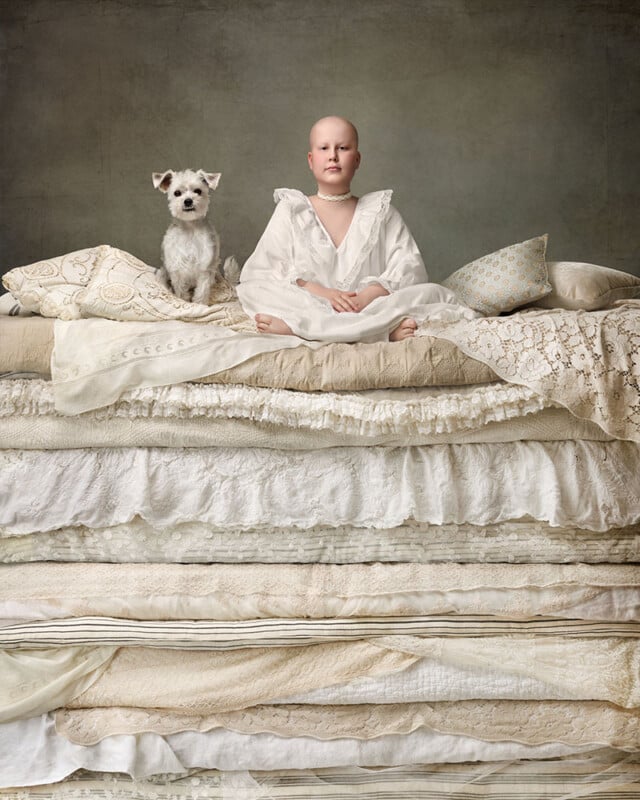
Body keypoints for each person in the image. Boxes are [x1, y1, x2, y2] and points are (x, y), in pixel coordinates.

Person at [236, 116, 475, 342]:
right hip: (311, 302)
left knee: (429, 293)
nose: (333, 156)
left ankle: (303, 329)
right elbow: (265, 269)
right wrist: (324, 293)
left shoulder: (381, 212)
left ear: (357, 159)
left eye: (343, 148)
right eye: (324, 148)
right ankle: (379, 332)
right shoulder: (292, 209)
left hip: (368, 307)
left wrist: (365, 297)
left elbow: (408, 267)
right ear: (311, 160)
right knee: (254, 289)